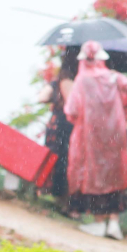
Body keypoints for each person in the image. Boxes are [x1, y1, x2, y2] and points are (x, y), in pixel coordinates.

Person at [64, 42, 127, 234]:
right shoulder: (114, 77)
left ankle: (99, 222)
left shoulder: (82, 80)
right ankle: (114, 224)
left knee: (96, 176)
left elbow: (72, 109)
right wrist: (120, 108)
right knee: (115, 174)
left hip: (91, 135)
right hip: (115, 133)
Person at [41, 46, 81, 202]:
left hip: (55, 123)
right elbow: (73, 105)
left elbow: (42, 97)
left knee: (51, 157)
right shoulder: (77, 82)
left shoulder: (56, 81)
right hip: (68, 125)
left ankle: (46, 191)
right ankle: (60, 197)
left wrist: (54, 96)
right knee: (65, 160)